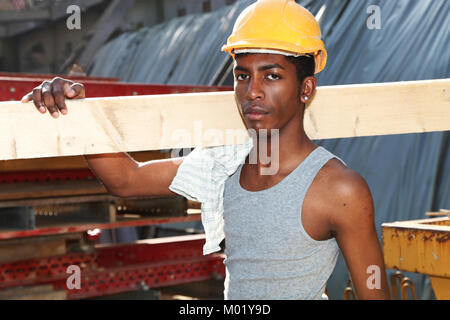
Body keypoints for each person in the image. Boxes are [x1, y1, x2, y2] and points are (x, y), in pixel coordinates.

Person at [22, 0, 390, 300]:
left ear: (306, 89)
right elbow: (126, 179)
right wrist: (73, 108)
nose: (253, 91)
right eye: (243, 75)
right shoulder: (223, 165)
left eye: (272, 75)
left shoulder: (339, 189)